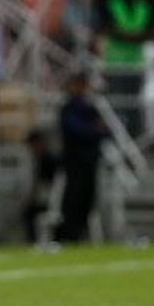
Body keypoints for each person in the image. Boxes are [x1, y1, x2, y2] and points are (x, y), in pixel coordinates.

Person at [57, 72, 106, 242]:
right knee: (73, 198)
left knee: (87, 198)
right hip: (74, 161)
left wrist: (95, 131)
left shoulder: (90, 107)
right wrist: (94, 131)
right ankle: (69, 233)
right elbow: (79, 130)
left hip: (90, 161)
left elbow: (103, 131)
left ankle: (80, 232)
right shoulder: (68, 108)